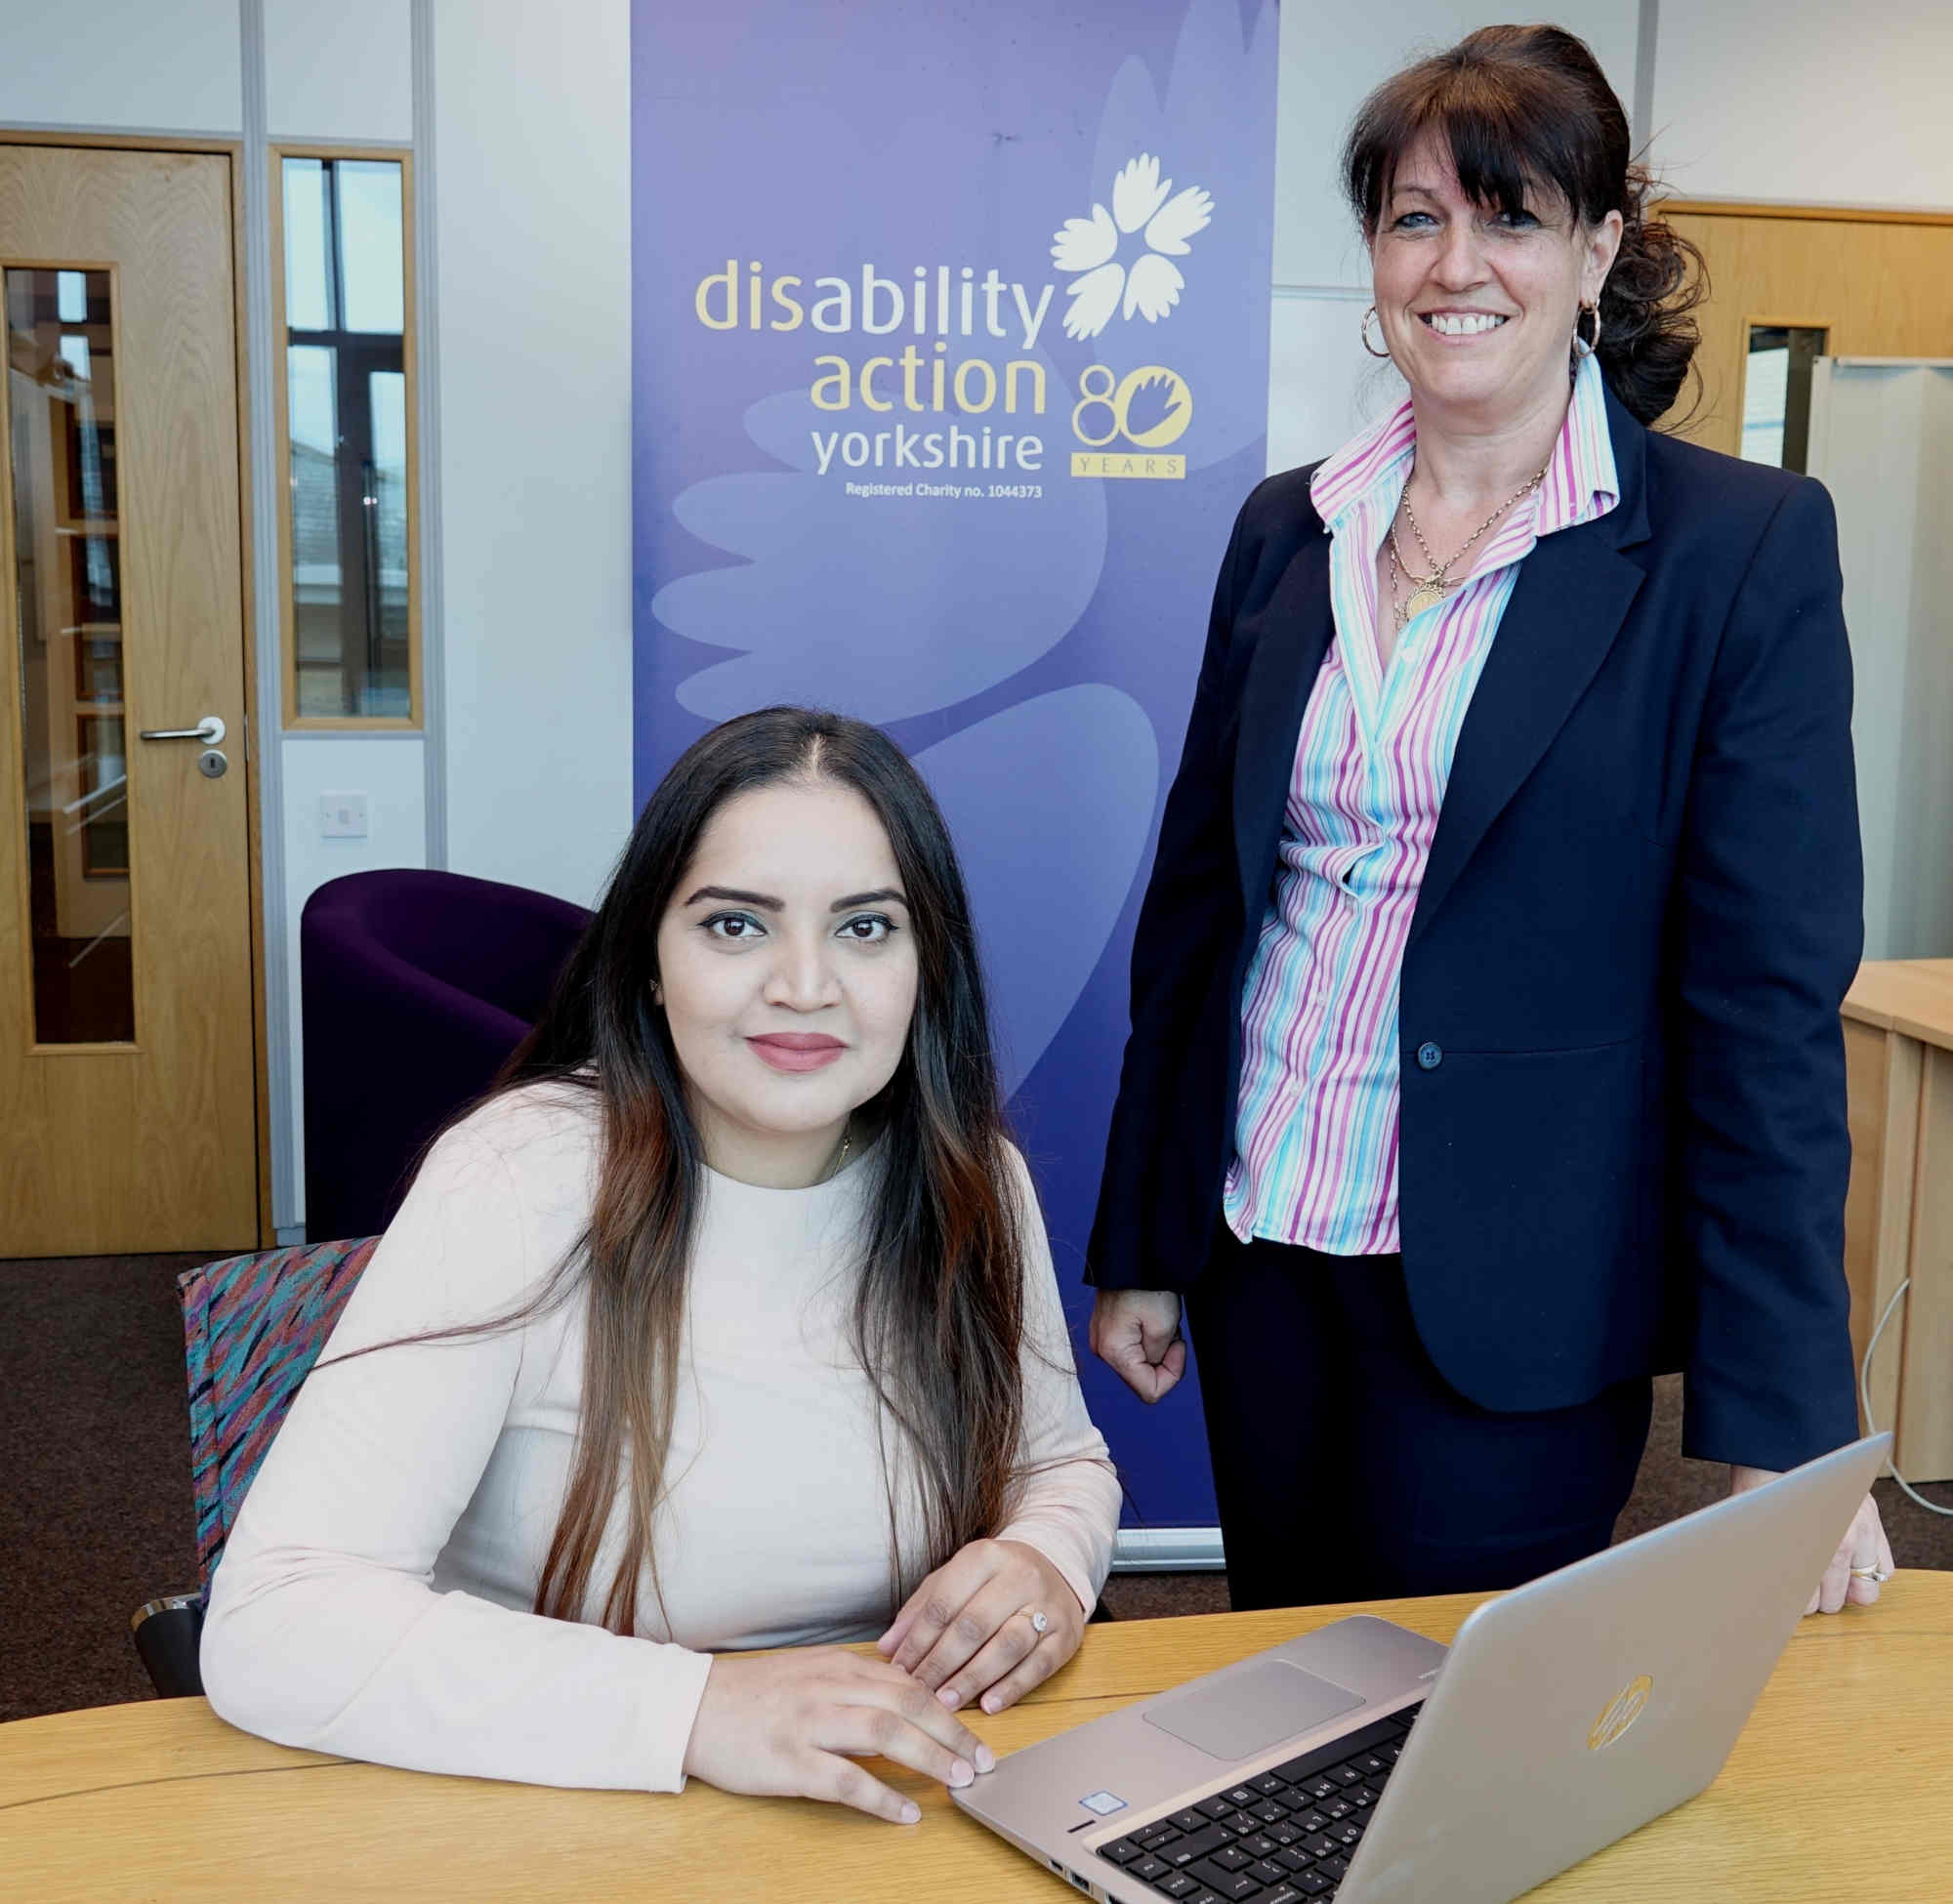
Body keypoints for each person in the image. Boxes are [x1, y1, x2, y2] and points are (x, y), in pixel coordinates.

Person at [1086, 24, 1893, 1615]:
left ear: (1598, 251)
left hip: (1520, 1284)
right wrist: (1147, 1230)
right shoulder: (1285, 528)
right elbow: (1202, 912)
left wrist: (1789, 1418)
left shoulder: (1735, 552)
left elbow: (1764, 1009)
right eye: (1413, 217)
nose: (1458, 263)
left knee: (1453, 1749)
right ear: (1376, 262)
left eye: (1512, 216)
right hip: (1264, 1253)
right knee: (1281, 1692)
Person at [202, 708, 1121, 1823]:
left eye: (865, 929)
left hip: (874, 1800)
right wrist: (697, 1710)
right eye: (737, 926)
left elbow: (1059, 1463)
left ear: (926, 966)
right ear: (646, 962)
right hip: (547, 1799)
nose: (803, 984)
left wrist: (1046, 1563)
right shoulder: (521, 1179)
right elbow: (275, 1618)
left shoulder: (970, 1180)